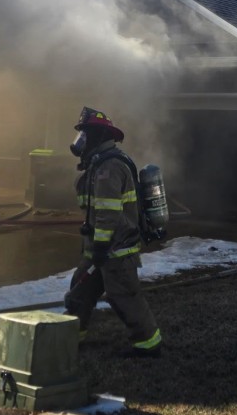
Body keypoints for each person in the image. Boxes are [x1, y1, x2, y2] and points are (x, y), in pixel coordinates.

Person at [63, 106, 162, 357]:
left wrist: (100, 247)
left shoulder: (110, 168)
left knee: (124, 297)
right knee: (79, 293)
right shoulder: (99, 165)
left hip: (115, 250)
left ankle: (148, 344)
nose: (80, 142)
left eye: (85, 136)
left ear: (97, 136)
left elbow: (108, 212)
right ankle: (70, 338)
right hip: (99, 249)